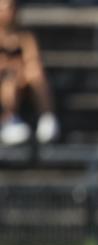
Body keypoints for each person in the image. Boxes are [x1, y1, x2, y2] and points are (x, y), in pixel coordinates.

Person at [0, 0, 59, 145]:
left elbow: (32, 59)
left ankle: (47, 118)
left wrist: (17, 70)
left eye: (11, 8)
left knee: (35, 73)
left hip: (23, 80)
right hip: (6, 82)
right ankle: (8, 120)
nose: (8, 12)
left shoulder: (25, 36)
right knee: (9, 84)